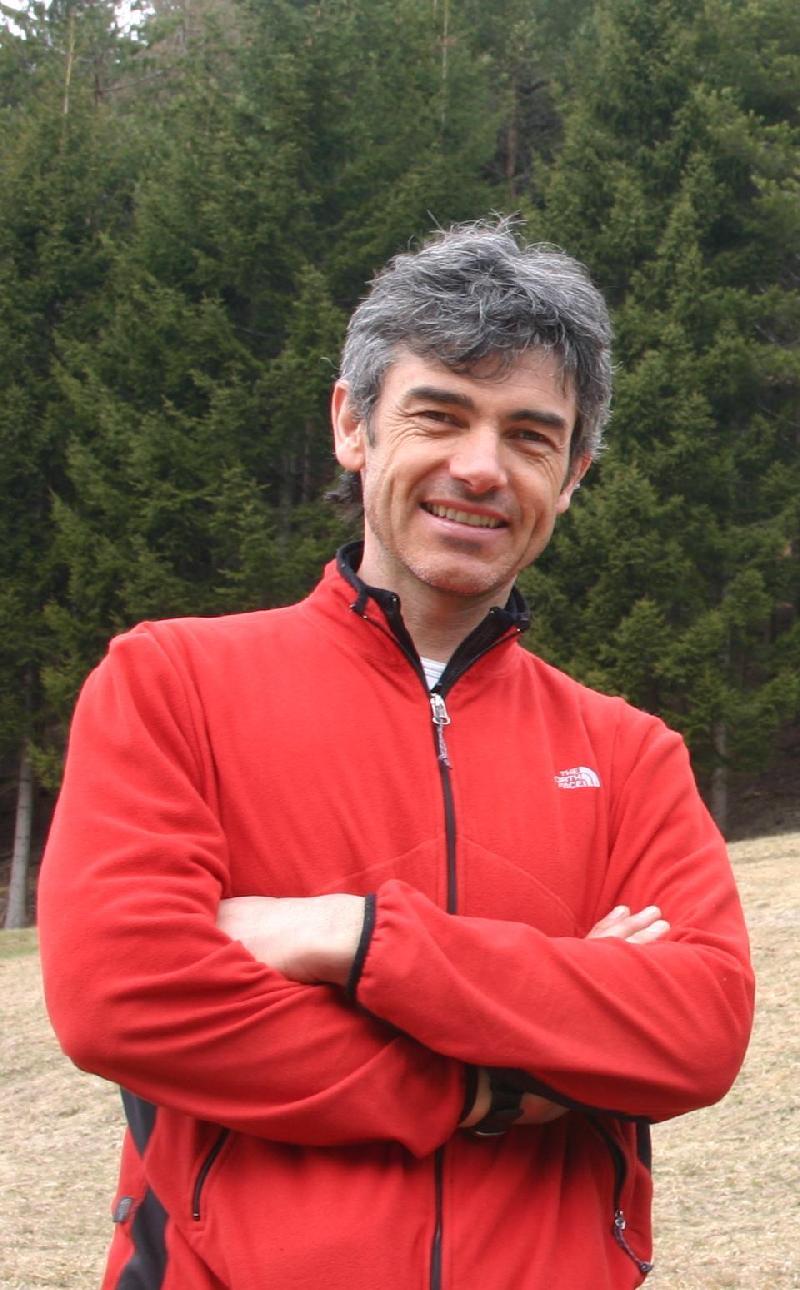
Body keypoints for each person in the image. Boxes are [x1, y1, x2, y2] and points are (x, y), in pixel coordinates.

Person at [38, 221, 754, 1290]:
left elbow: (695, 1029)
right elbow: (125, 997)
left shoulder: (628, 752)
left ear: (570, 475)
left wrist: (353, 937)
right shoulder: (171, 682)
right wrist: (491, 1085)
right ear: (351, 424)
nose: (480, 467)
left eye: (529, 435)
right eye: (439, 415)